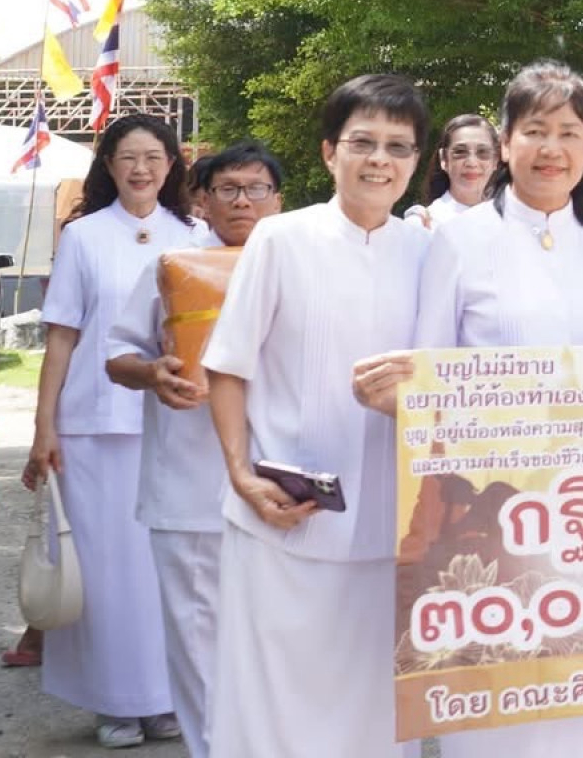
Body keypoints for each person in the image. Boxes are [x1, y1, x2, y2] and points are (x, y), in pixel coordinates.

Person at [415, 60, 583, 758]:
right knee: (496, 685)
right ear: (506, 141)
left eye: (569, 132)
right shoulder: (457, 239)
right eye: (535, 130)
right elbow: (427, 376)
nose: (552, 148)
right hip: (486, 505)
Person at [204, 86, 433, 757]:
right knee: (270, 715)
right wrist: (241, 475)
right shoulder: (281, 238)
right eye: (363, 143)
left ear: (416, 161)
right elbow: (228, 366)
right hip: (284, 516)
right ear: (331, 152)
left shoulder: (429, 252)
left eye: (398, 147)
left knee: (376, 717)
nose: (379, 160)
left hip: (390, 524)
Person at [107, 140, 286, 758]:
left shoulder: (301, 267)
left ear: (278, 200)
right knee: (197, 645)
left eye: (256, 188)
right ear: (202, 201)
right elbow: (117, 354)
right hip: (187, 490)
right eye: (227, 189)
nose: (242, 201)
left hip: (280, 490)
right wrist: (152, 373)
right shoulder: (172, 266)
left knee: (274, 647)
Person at [24, 113, 194, 750]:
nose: (141, 169)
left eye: (153, 157)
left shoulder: (194, 236)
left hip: (170, 423)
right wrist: (44, 426)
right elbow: (62, 336)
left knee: (160, 570)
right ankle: (113, 702)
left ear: (171, 165)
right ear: (110, 166)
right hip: (93, 424)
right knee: (103, 571)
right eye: (128, 157)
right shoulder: (84, 236)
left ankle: (163, 698)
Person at [419, 113, 499, 226]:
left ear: (495, 160)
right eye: (460, 152)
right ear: (443, 159)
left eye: (482, 152)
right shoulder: (425, 224)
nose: (472, 163)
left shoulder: (511, 220)